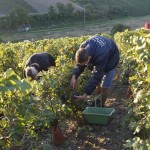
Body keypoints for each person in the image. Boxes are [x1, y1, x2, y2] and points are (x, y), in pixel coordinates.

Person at [70, 35, 119, 107]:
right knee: (98, 82)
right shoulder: (83, 48)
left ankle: (102, 105)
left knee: (105, 86)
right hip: (101, 52)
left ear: (89, 57)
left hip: (111, 58)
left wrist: (85, 95)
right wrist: (74, 76)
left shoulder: (100, 54)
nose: (85, 65)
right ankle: (97, 100)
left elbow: (96, 76)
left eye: (86, 63)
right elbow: (81, 64)